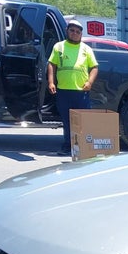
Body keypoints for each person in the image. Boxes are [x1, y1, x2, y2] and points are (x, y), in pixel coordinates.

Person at [47, 20, 99, 156]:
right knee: (67, 120)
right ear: (67, 31)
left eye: (78, 31)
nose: (75, 33)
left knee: (83, 121)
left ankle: (84, 148)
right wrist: (51, 82)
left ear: (81, 34)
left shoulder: (86, 49)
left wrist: (90, 82)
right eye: (72, 30)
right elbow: (52, 64)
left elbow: (94, 67)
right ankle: (67, 146)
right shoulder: (59, 47)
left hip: (81, 91)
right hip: (63, 91)